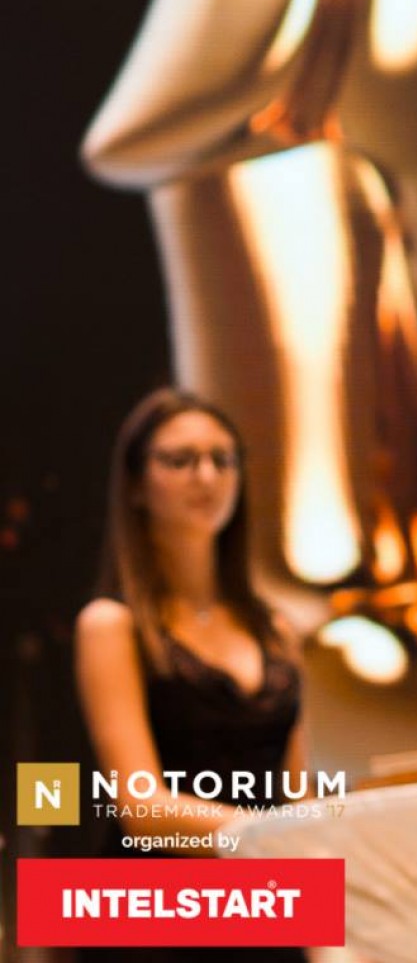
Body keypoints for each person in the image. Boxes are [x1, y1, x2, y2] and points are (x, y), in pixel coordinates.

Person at [73, 388, 309, 962]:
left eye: (222, 459)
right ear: (136, 485)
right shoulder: (112, 625)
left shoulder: (276, 629)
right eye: (179, 460)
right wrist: (278, 838)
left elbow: (297, 794)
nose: (205, 476)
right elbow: (144, 811)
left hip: (266, 908)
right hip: (156, 916)